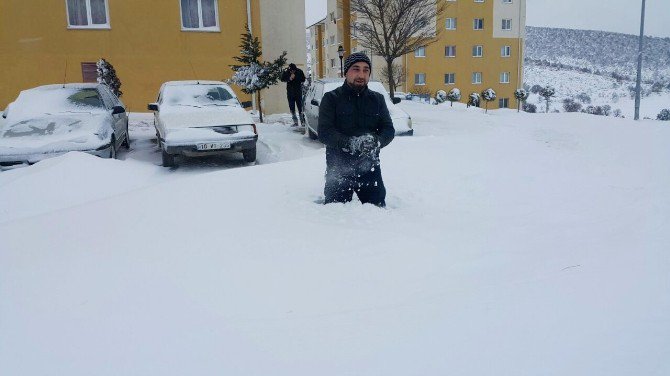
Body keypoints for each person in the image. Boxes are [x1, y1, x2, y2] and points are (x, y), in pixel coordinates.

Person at [317, 52, 395, 207]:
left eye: (366, 70)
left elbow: (388, 129)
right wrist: (352, 143)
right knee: (334, 215)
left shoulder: (377, 99)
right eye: (356, 69)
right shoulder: (331, 98)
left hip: (369, 167)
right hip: (338, 169)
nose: (361, 74)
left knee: (377, 213)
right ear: (346, 72)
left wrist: (377, 141)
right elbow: (325, 132)